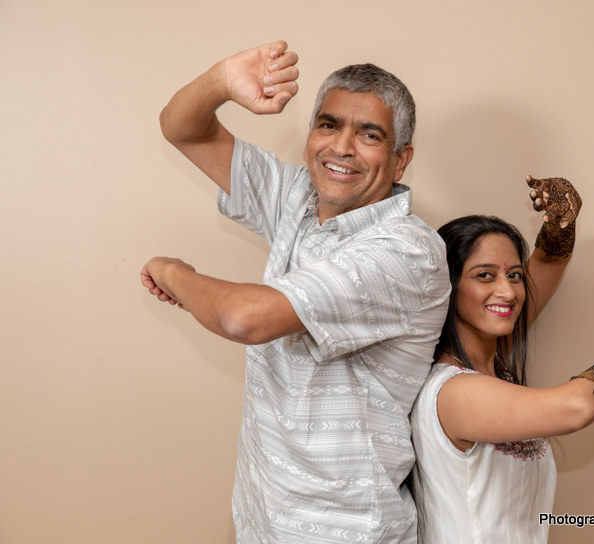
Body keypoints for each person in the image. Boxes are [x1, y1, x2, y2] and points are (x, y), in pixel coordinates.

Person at [140, 41, 450, 543]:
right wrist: (221, 80)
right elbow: (181, 128)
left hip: (347, 530)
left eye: (369, 135)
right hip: (264, 518)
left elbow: (245, 318)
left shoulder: (407, 252)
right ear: (309, 138)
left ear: (400, 161)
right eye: (329, 125)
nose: (342, 148)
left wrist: (174, 272)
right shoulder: (296, 200)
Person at [409, 175, 594, 543]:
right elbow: (578, 406)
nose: (507, 290)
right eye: (484, 275)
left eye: (514, 275)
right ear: (447, 287)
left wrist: (563, 216)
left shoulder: (492, 364)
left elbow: (551, 259)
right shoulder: (455, 391)